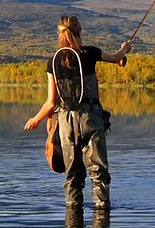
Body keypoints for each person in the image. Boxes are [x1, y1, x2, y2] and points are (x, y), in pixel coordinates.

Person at [25, 15, 130, 209]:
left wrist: (36, 119)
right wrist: (125, 49)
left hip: (66, 122)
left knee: (72, 174)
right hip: (91, 118)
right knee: (98, 171)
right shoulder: (90, 53)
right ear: (79, 32)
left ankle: (73, 217)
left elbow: (50, 103)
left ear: (60, 35)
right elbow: (116, 58)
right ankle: (102, 213)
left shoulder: (53, 62)